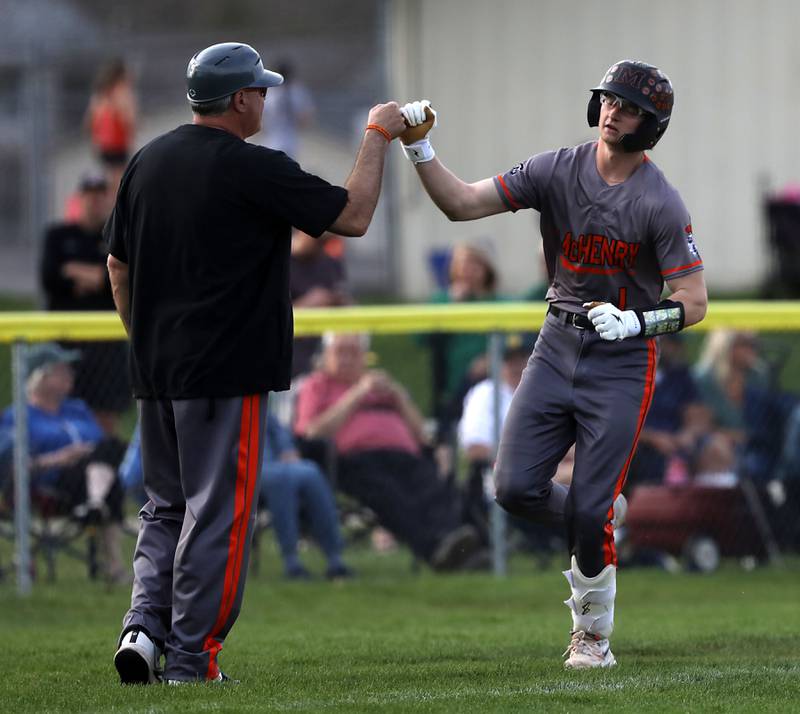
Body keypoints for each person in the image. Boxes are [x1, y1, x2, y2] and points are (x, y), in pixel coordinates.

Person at [106, 42, 405, 685]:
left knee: (164, 507)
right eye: (261, 91)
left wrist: (145, 340)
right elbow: (352, 215)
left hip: (156, 370)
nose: (267, 99)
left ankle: (141, 630)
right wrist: (378, 135)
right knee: (217, 512)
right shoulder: (253, 167)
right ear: (241, 99)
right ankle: (191, 657)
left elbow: (117, 265)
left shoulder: (146, 163)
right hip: (226, 373)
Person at [399, 59, 708, 668]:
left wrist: (638, 322)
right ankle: (597, 518)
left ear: (653, 124)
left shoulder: (660, 202)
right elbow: (462, 205)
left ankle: (592, 637)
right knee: (513, 488)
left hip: (620, 359)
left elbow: (694, 303)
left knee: (589, 510)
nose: (612, 111)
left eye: (628, 106)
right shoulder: (555, 168)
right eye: (608, 100)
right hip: (556, 342)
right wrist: (420, 147)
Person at [294, 332, 482, 571]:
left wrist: (399, 397)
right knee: (392, 495)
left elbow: (422, 434)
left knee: (434, 486)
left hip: (403, 455)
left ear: (365, 357)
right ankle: (435, 550)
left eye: (354, 353)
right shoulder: (317, 386)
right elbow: (311, 433)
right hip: (352, 461)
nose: (347, 359)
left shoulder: (381, 386)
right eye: (340, 352)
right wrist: (357, 394)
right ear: (325, 356)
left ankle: (461, 546)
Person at [0, 343, 127, 583]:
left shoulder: (77, 409)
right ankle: (112, 561)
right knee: (106, 471)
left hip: (94, 473)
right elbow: (14, 465)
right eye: (62, 371)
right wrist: (62, 457)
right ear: (40, 377)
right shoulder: (19, 416)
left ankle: (95, 504)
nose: (71, 375)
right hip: (53, 483)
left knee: (111, 450)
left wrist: (87, 453)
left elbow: (102, 447)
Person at [40, 170, 131, 436]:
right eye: (89, 195)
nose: (95, 201)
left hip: (106, 345)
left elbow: (121, 281)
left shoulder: (116, 236)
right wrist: (97, 277)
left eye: (100, 195)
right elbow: (50, 279)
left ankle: (102, 466)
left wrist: (74, 271)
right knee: (59, 411)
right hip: (65, 341)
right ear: (79, 198)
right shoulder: (58, 235)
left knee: (105, 418)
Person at [260, 412, 352, 580]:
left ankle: (335, 558)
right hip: (245, 468)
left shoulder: (254, 400)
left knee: (311, 471)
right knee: (281, 480)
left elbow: (276, 429)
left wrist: (287, 449)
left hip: (278, 464)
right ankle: (291, 561)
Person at [425, 242, 502, 443]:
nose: (467, 271)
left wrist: (493, 360)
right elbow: (421, 337)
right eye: (461, 264)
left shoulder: (499, 302)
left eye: (474, 264)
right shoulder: (442, 299)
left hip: (496, 379)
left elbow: (518, 337)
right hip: (455, 384)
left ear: (486, 269)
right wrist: (450, 305)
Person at [290, 228, 352, 378]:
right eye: (318, 240)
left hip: (324, 351)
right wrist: (307, 304)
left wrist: (337, 301)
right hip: (290, 353)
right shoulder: (279, 265)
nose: (322, 247)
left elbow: (347, 305)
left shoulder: (330, 264)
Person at [85, 58, 137, 170]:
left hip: (104, 144)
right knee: (118, 179)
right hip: (118, 143)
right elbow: (128, 120)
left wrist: (94, 140)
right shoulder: (122, 93)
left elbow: (90, 121)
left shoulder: (100, 95)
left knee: (109, 176)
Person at [259, 60, 315, 157]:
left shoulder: (271, 92)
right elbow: (306, 119)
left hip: (282, 139)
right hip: (280, 139)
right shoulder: (296, 91)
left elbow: (306, 117)